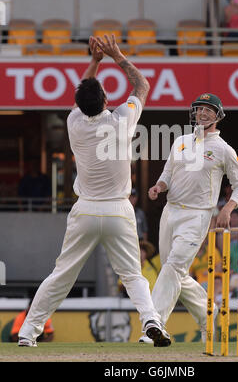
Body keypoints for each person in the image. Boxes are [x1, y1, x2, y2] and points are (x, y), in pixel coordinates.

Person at [18, 35, 171, 348]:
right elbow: (141, 85)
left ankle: (27, 333)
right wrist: (116, 56)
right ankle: (151, 319)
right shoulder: (123, 119)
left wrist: (95, 61)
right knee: (132, 275)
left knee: (61, 275)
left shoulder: (74, 121)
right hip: (118, 210)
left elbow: (82, 95)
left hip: (85, 209)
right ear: (105, 101)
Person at [147, 93, 238, 340]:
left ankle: (153, 324)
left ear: (218, 116)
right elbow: (168, 173)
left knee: (173, 265)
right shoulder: (181, 141)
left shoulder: (223, 149)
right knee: (175, 271)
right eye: (199, 109)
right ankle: (208, 313)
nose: (202, 114)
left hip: (198, 215)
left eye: (208, 110)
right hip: (170, 211)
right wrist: (159, 186)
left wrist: (226, 209)